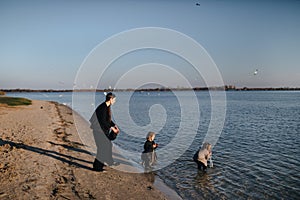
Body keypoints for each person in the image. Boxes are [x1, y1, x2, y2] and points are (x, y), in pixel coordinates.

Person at [89, 92, 120, 172]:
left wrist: (114, 125)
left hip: (102, 130)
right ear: (110, 99)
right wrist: (112, 128)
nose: (115, 101)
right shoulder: (103, 107)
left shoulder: (106, 106)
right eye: (114, 100)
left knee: (107, 146)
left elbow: (107, 120)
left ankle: (107, 162)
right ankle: (97, 167)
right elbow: (102, 121)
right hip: (98, 131)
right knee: (102, 148)